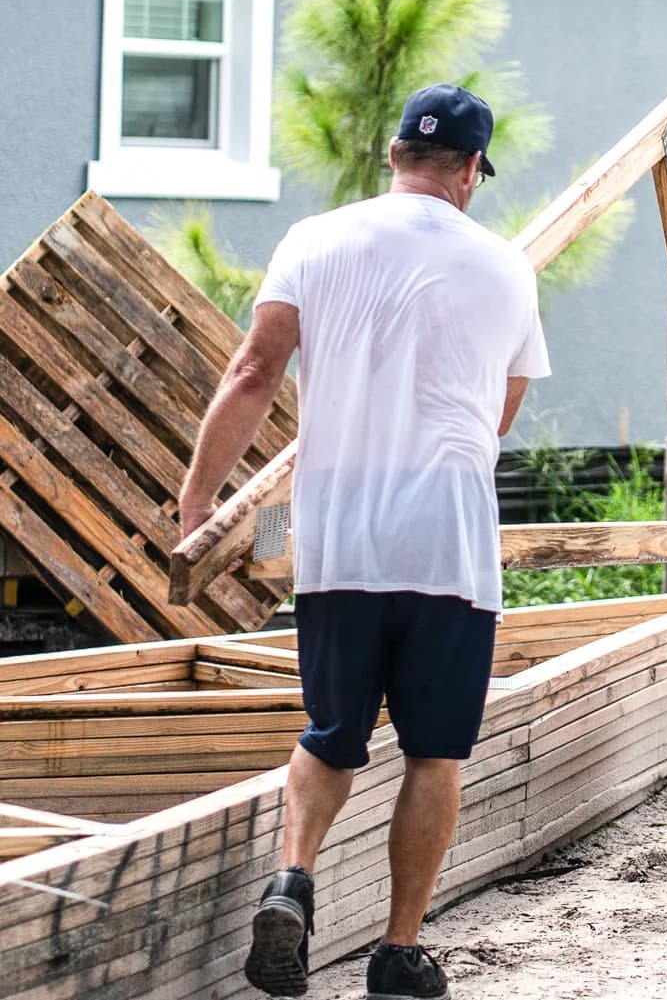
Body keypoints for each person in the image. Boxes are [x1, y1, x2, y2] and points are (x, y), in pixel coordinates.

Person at [179, 85, 549, 1000]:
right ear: (471, 170)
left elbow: (254, 369)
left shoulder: (313, 239)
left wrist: (198, 501)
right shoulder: (508, 267)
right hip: (449, 548)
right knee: (434, 751)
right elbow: (501, 410)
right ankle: (399, 949)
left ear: (393, 153)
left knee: (334, 732)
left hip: (337, 536)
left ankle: (291, 878)